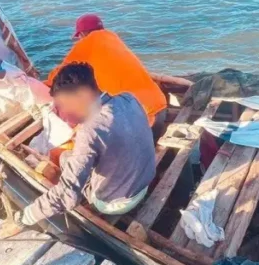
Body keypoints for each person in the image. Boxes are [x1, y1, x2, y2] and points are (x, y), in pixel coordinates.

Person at [16, 62, 156, 225]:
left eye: (65, 104)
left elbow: (67, 196)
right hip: (145, 183)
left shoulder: (89, 130)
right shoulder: (128, 98)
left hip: (115, 203)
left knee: (64, 158)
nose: (65, 111)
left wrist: (24, 217)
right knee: (74, 156)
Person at [47, 14, 169, 141]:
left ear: (82, 34)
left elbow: (60, 74)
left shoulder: (87, 43)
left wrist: (47, 83)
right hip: (160, 106)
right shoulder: (113, 38)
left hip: (143, 120)